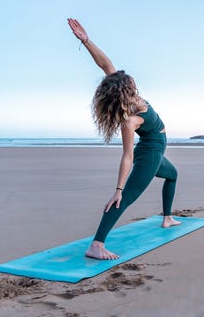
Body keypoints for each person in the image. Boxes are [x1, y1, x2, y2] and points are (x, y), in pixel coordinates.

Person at [67, 18, 181, 260]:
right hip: (150, 153)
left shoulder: (127, 94)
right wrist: (118, 188)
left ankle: (168, 218)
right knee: (125, 198)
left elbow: (105, 63)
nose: (131, 79)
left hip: (156, 151)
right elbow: (127, 155)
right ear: (126, 89)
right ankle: (96, 244)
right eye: (130, 81)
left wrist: (86, 41)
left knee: (172, 175)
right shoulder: (131, 119)